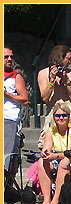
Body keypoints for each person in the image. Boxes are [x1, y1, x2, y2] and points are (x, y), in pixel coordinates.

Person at [35, 102, 71, 204]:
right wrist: (45, 154)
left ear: (68, 116)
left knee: (64, 162)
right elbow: (46, 148)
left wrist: (56, 155)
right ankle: (46, 200)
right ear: (54, 117)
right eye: (57, 115)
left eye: (64, 115)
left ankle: (55, 200)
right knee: (42, 162)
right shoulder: (51, 130)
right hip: (57, 159)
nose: (61, 118)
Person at [37, 45, 71, 149]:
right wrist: (51, 80)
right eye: (68, 59)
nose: (70, 62)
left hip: (67, 107)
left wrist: (66, 80)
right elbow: (45, 98)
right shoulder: (43, 73)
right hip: (53, 107)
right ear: (60, 58)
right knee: (48, 137)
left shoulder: (69, 73)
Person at [4, 46, 29, 179]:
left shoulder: (16, 77)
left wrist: (6, 94)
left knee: (5, 156)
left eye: (11, 57)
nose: (9, 59)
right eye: (6, 57)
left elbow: (25, 100)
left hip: (8, 118)